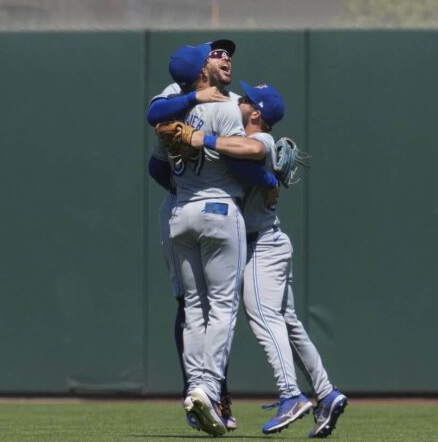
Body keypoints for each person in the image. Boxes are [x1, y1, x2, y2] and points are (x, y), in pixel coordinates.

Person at [188, 82, 348, 438]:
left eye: (245, 100)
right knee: (288, 324)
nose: (238, 101)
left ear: (256, 113)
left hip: (261, 247)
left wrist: (203, 139)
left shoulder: (260, 142)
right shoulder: (249, 139)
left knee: (262, 315)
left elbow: (237, 158)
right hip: (268, 242)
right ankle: (325, 392)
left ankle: (291, 394)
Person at [148, 41, 276, 437]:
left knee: (194, 309)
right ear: (201, 69)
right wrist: (271, 175)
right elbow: (246, 158)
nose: (222, 57)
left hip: (182, 212)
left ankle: (200, 391)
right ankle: (205, 388)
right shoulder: (222, 106)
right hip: (218, 209)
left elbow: (157, 161)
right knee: (220, 308)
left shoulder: (181, 108)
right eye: (214, 54)